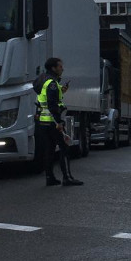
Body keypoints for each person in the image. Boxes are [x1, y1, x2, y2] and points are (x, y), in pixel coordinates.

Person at [36, 57, 83, 186]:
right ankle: (67, 178)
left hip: (43, 122)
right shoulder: (52, 83)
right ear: (54, 68)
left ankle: (49, 178)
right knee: (65, 148)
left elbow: (43, 100)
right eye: (60, 66)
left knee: (49, 150)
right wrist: (59, 122)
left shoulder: (43, 80)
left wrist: (60, 91)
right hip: (53, 122)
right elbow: (52, 104)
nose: (62, 69)